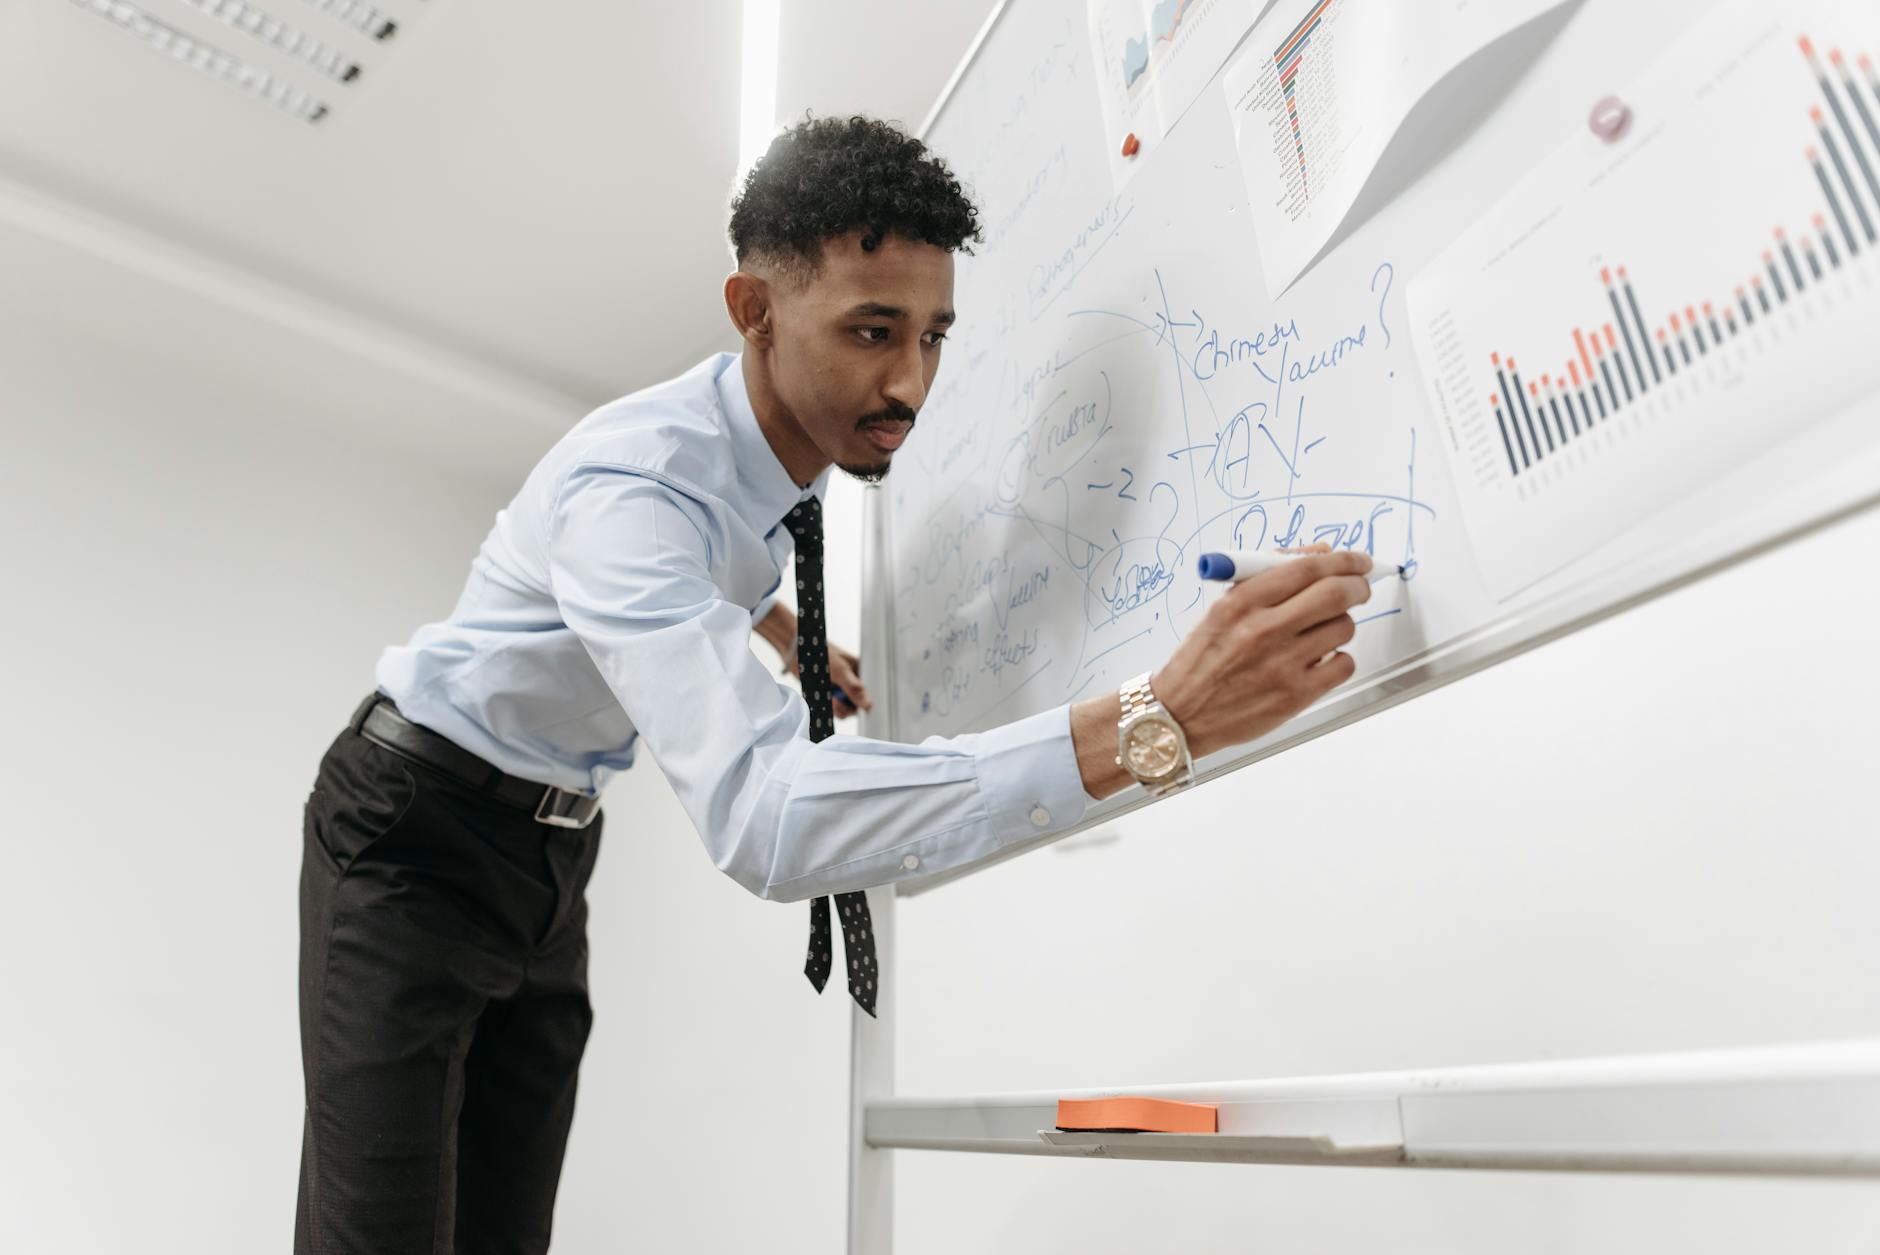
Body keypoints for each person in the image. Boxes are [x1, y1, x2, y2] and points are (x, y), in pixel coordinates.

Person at [295, 114, 1372, 1254]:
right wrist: (1153, 719)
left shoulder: (758, 464)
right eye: (869, 330)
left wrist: (763, 616)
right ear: (752, 311)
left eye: (931, 336)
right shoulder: (633, 493)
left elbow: (705, 546)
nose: (908, 381)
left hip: (551, 854)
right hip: (411, 833)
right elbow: (766, 819)